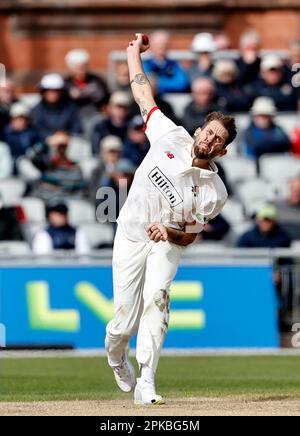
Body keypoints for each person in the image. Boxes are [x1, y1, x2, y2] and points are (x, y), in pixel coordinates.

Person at [105, 33, 237, 406]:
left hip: (167, 241)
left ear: (222, 151)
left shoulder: (215, 192)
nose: (210, 140)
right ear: (199, 131)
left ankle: (147, 378)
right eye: (209, 132)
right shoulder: (170, 135)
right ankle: (117, 357)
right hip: (130, 236)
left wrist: (169, 230)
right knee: (122, 323)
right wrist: (134, 54)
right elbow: (142, 94)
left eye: (217, 140)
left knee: (158, 298)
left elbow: (190, 236)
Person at [31, 74, 82, 141]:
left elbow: (76, 126)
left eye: (56, 91)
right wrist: (51, 136)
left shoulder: (70, 108)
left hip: (69, 142)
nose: (53, 94)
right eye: (50, 91)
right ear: (43, 92)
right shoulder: (37, 110)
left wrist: (66, 135)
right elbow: (37, 130)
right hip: (45, 145)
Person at [243, 97, 291, 162]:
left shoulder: (277, 129)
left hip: (278, 165)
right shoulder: (249, 131)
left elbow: (286, 142)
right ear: (254, 116)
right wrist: (274, 143)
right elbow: (256, 145)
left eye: (266, 116)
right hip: (257, 167)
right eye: (261, 116)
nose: (264, 119)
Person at [64, 48, 109, 117]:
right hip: (72, 116)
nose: (81, 70)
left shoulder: (96, 81)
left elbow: (102, 97)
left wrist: (81, 94)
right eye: (78, 67)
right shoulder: (66, 83)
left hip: (94, 114)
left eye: (83, 66)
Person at [143, 30, 189, 95]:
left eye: (165, 44)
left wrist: (156, 83)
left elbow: (181, 84)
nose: (162, 47)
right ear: (151, 46)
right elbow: (143, 85)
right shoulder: (145, 65)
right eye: (158, 44)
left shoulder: (175, 65)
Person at [3, 103, 43, 172]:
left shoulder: (31, 131)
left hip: (31, 160)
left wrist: (36, 148)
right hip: (12, 162)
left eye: (21, 119)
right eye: (15, 119)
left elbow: (41, 143)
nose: (18, 122)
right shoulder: (6, 133)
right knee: (23, 163)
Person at [89, 135, 123, 202]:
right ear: (103, 153)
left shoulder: (124, 171)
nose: (115, 155)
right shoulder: (97, 171)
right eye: (111, 151)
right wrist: (108, 176)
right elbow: (94, 195)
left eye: (117, 152)